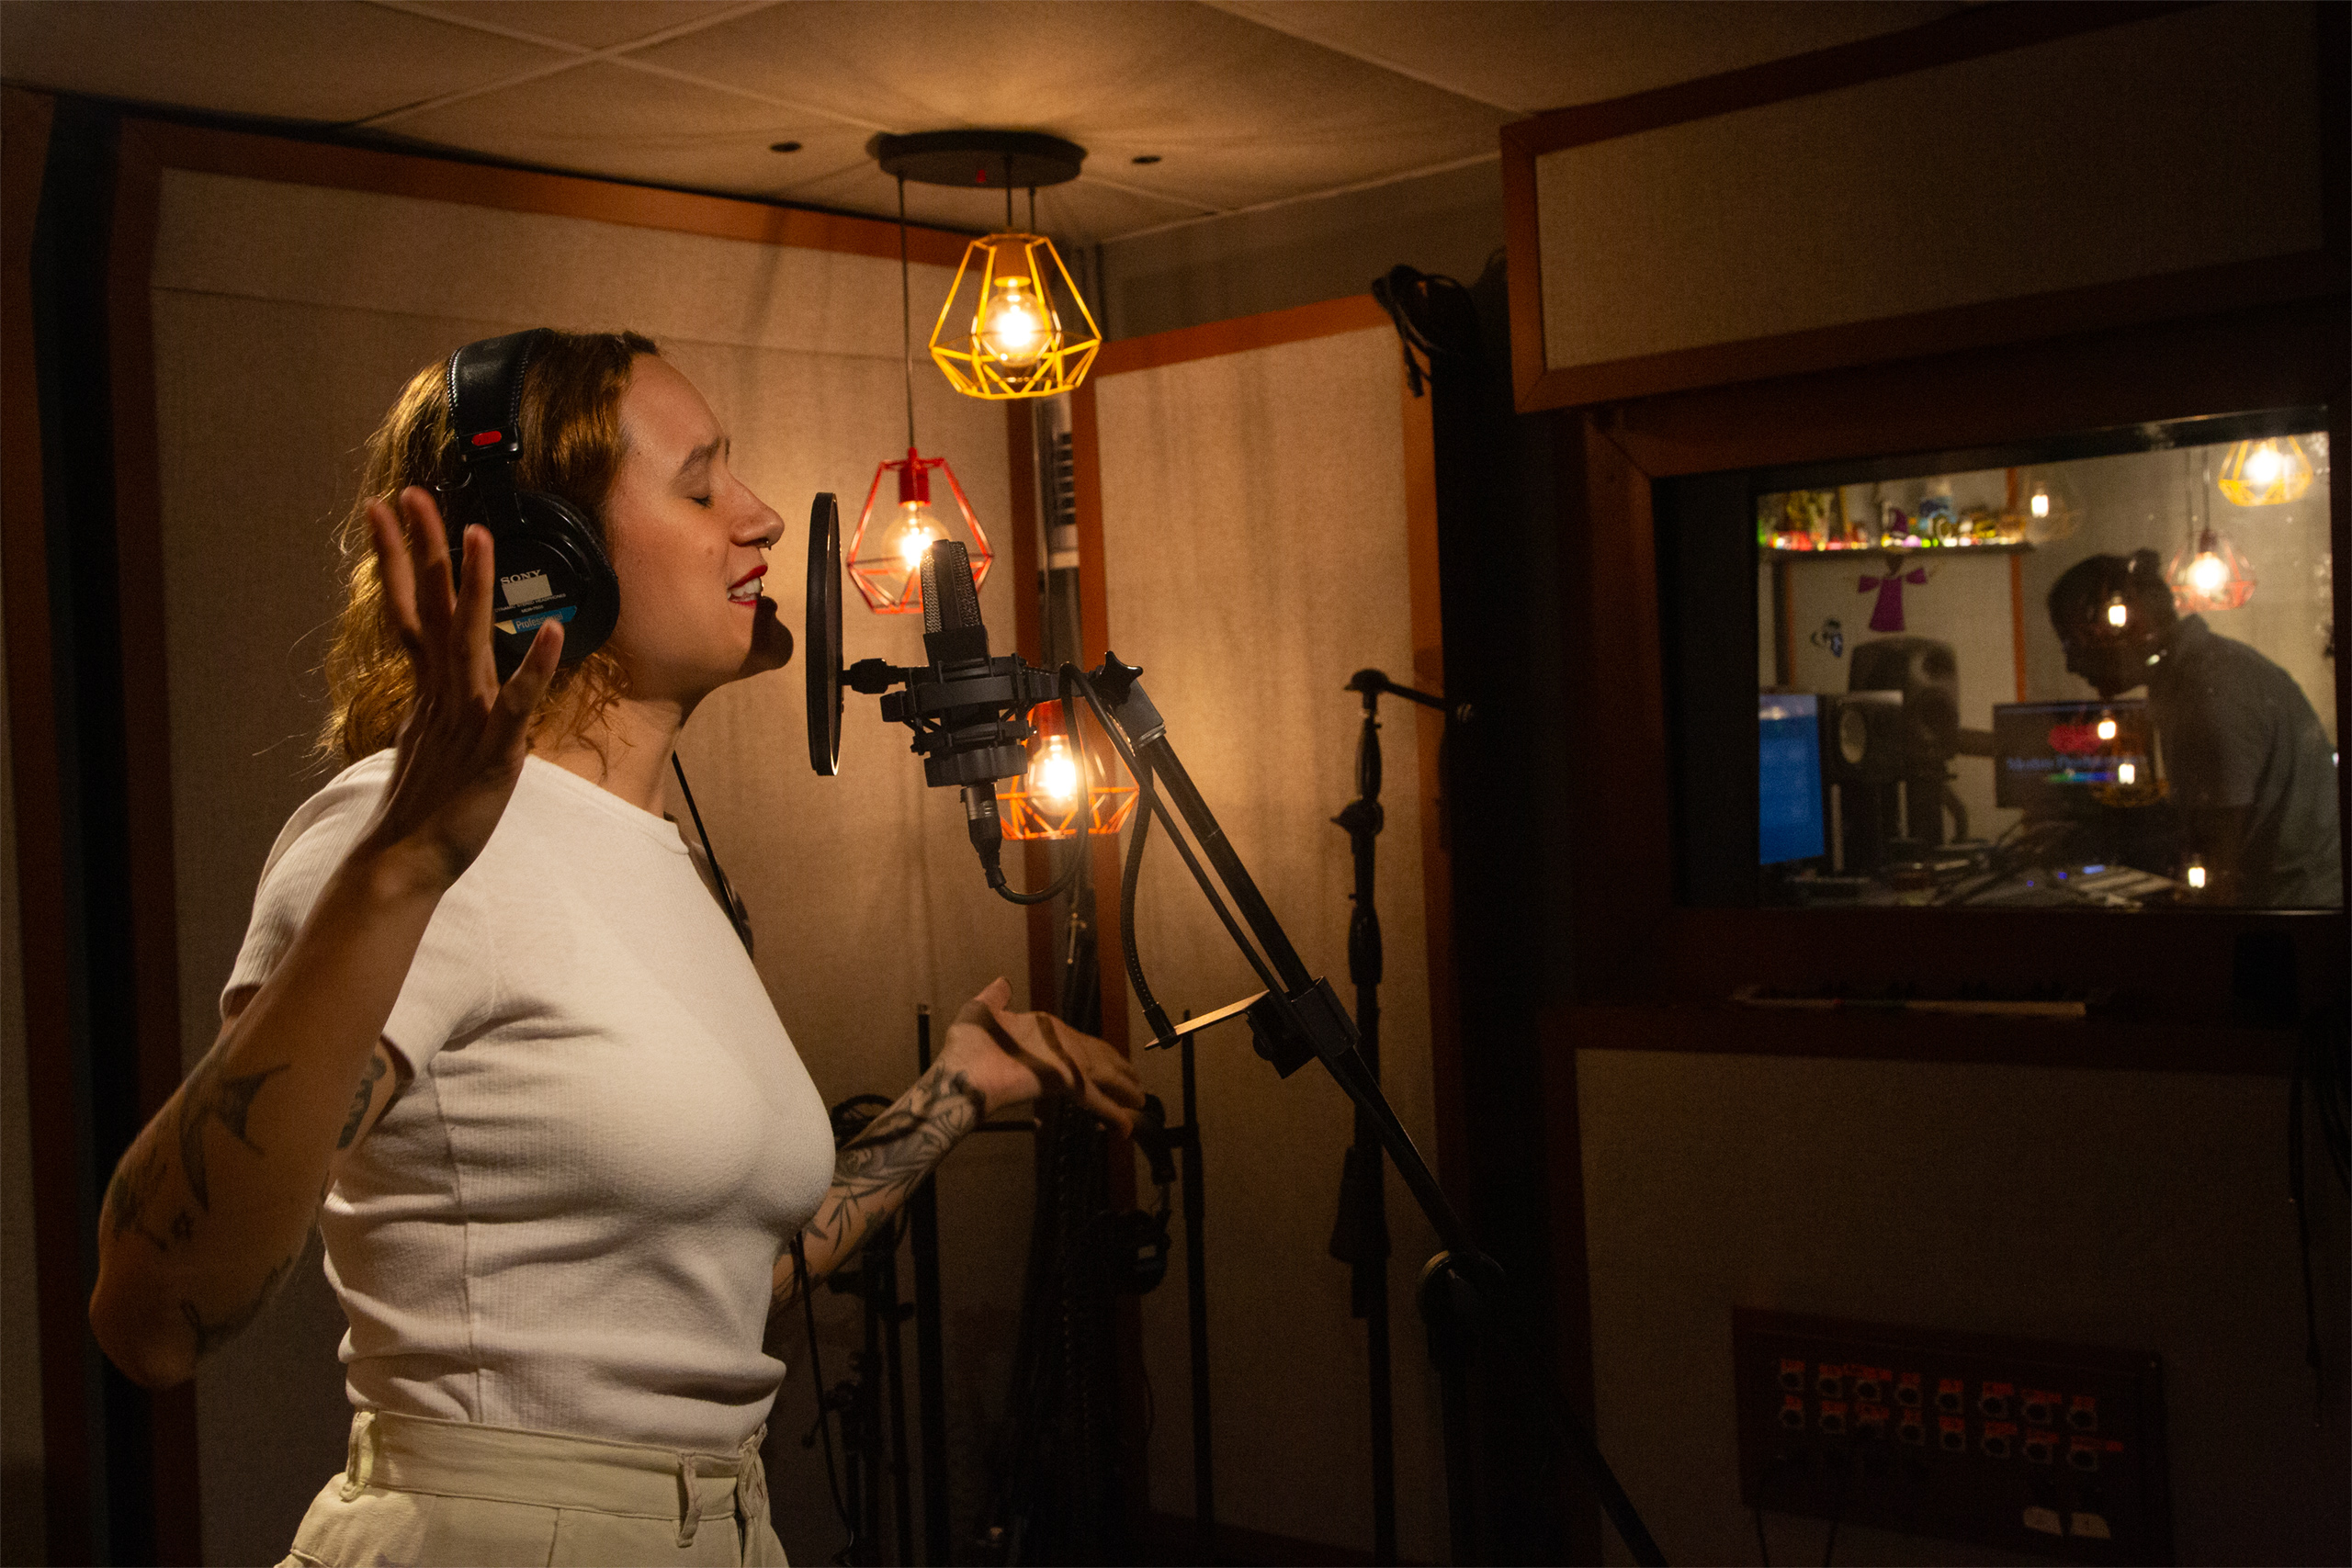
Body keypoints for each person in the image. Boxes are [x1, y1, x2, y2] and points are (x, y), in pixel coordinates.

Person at [86, 329, 1143, 1566]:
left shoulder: (660, 859)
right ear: (551, 559)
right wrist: (400, 869)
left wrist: (951, 1095)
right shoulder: (410, 838)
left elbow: (706, 1294)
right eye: (700, 485)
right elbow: (154, 1309)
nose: (756, 518)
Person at [2047, 548, 2342, 907]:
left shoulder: (2209, 690)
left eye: (2071, 644)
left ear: (2120, 625)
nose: (2069, 665)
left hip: (2295, 912)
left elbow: (2220, 871)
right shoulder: (2190, 677)